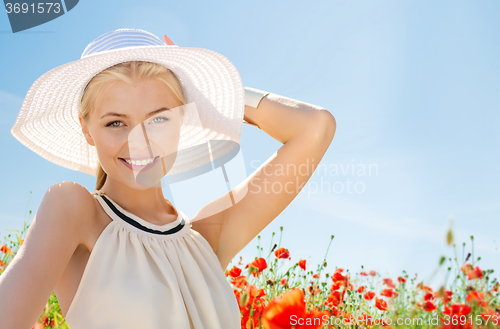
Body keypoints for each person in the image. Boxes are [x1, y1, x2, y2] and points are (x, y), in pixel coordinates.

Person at [0, 29, 336, 329]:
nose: (139, 141)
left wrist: (212, 98)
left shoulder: (206, 238)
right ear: (86, 129)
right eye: (116, 123)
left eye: (158, 119)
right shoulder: (73, 209)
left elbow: (314, 127)